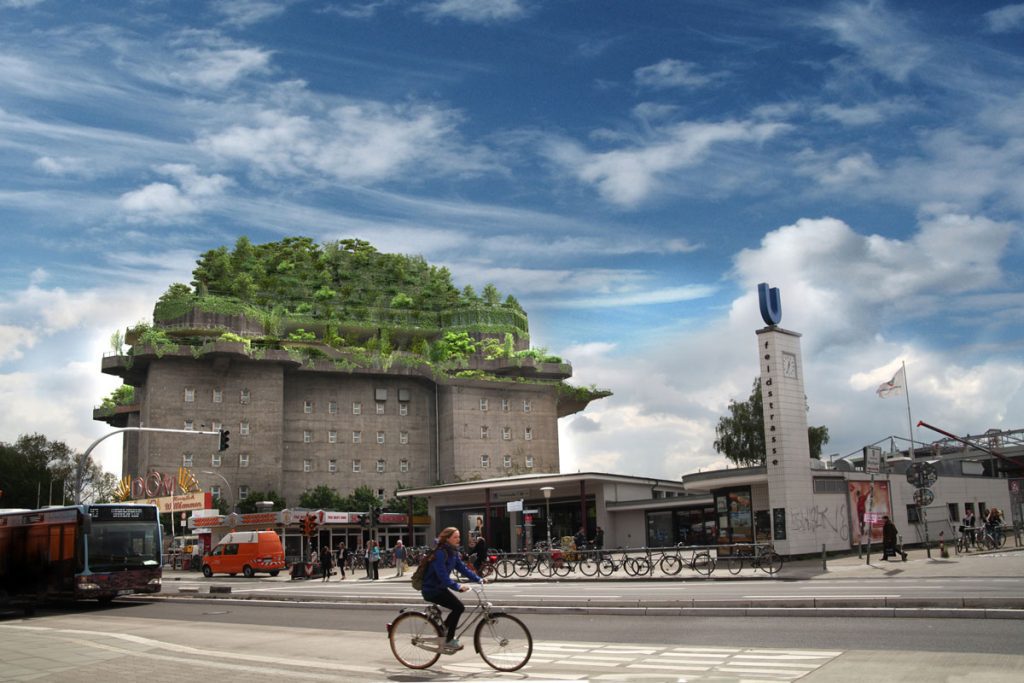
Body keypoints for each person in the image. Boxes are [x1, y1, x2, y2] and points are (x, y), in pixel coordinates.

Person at [421, 527, 483, 652]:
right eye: (455, 537)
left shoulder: (453, 552)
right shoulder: (440, 553)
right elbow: (442, 576)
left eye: (459, 536)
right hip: (431, 589)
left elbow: (462, 568)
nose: (458, 539)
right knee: (458, 607)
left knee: (457, 607)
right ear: (447, 538)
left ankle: (444, 630)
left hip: (440, 588)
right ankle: (449, 640)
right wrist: (457, 586)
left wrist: (478, 579)